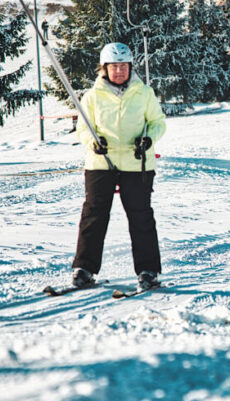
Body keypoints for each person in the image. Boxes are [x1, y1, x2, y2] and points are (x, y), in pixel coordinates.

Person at [71, 42, 167, 291]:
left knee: (141, 216)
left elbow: (158, 122)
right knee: (94, 213)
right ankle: (84, 268)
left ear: (130, 67)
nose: (120, 71)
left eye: (124, 66)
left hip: (137, 163)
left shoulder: (144, 93)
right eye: (114, 66)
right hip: (100, 162)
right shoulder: (92, 96)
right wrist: (94, 142)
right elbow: (83, 128)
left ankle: (148, 271)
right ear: (104, 68)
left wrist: (148, 139)